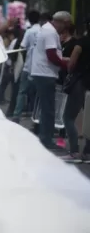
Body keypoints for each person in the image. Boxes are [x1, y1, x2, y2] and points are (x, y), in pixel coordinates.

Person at [30, 11, 71, 149]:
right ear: (60, 22)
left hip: (42, 72)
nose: (64, 29)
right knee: (48, 109)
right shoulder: (50, 32)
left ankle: (44, 137)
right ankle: (46, 140)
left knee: (46, 107)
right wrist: (65, 63)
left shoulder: (46, 29)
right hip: (45, 73)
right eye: (65, 25)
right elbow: (51, 55)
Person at [61, 16, 90, 161]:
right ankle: (87, 152)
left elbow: (71, 64)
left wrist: (69, 68)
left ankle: (73, 151)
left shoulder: (81, 43)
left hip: (80, 83)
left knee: (68, 117)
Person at [11, 10, 43, 122]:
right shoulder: (43, 31)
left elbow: (22, 47)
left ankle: (16, 115)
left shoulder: (29, 32)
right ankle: (36, 117)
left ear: (29, 20)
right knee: (37, 94)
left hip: (28, 66)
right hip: (39, 68)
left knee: (22, 92)